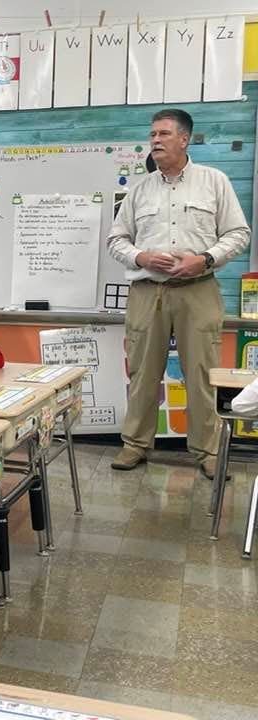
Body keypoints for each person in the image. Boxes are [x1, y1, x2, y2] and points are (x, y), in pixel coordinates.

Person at [107, 109, 250, 478]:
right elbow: (116, 239)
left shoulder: (213, 181)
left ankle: (207, 451)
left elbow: (238, 233)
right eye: (152, 134)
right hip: (146, 292)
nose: (155, 140)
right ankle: (135, 445)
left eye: (164, 134)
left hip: (198, 289)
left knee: (202, 373)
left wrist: (203, 260)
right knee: (142, 371)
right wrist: (141, 255)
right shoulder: (139, 190)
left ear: (184, 139)